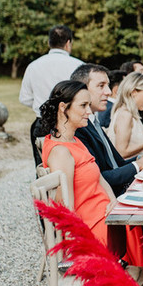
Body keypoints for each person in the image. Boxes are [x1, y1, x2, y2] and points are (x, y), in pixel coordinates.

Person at [39, 81, 114, 249]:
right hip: (93, 228)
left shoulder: (75, 141)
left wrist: (114, 202)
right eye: (83, 105)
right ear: (63, 108)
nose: (89, 111)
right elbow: (65, 209)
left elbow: (99, 178)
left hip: (106, 216)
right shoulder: (61, 152)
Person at [70, 64, 143, 196]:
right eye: (101, 85)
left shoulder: (93, 122)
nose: (109, 92)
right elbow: (100, 178)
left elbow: (117, 162)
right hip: (110, 198)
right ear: (82, 90)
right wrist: (141, 162)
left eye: (108, 85)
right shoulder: (78, 129)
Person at [19, 25, 84, 165]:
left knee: (44, 168)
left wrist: (44, 106)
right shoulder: (79, 67)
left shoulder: (33, 66)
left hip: (42, 123)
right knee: (76, 167)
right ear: (68, 43)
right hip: (71, 124)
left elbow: (24, 98)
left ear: (49, 43)